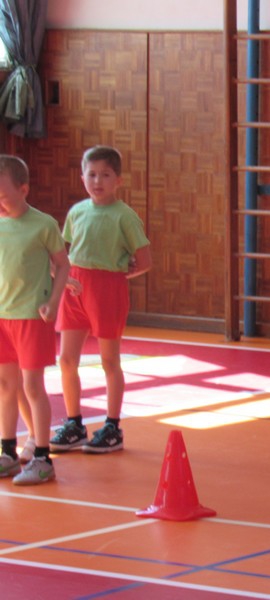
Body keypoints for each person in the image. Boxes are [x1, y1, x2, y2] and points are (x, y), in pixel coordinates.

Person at [50, 145, 152, 454]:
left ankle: (112, 426)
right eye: (91, 174)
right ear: (82, 177)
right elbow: (66, 251)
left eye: (105, 175)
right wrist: (63, 277)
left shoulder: (125, 216)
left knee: (109, 360)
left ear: (118, 180)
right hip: (75, 289)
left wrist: (116, 275)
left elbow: (144, 260)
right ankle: (74, 423)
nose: (97, 181)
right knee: (66, 360)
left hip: (107, 289)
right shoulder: (77, 211)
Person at [0, 154, 70, 485]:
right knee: (5, 386)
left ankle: (42, 457)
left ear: (23, 189)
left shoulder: (43, 225)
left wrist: (53, 302)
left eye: (3, 195)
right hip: (3, 317)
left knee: (32, 386)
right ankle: (8, 452)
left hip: (31, 316)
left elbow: (63, 265)